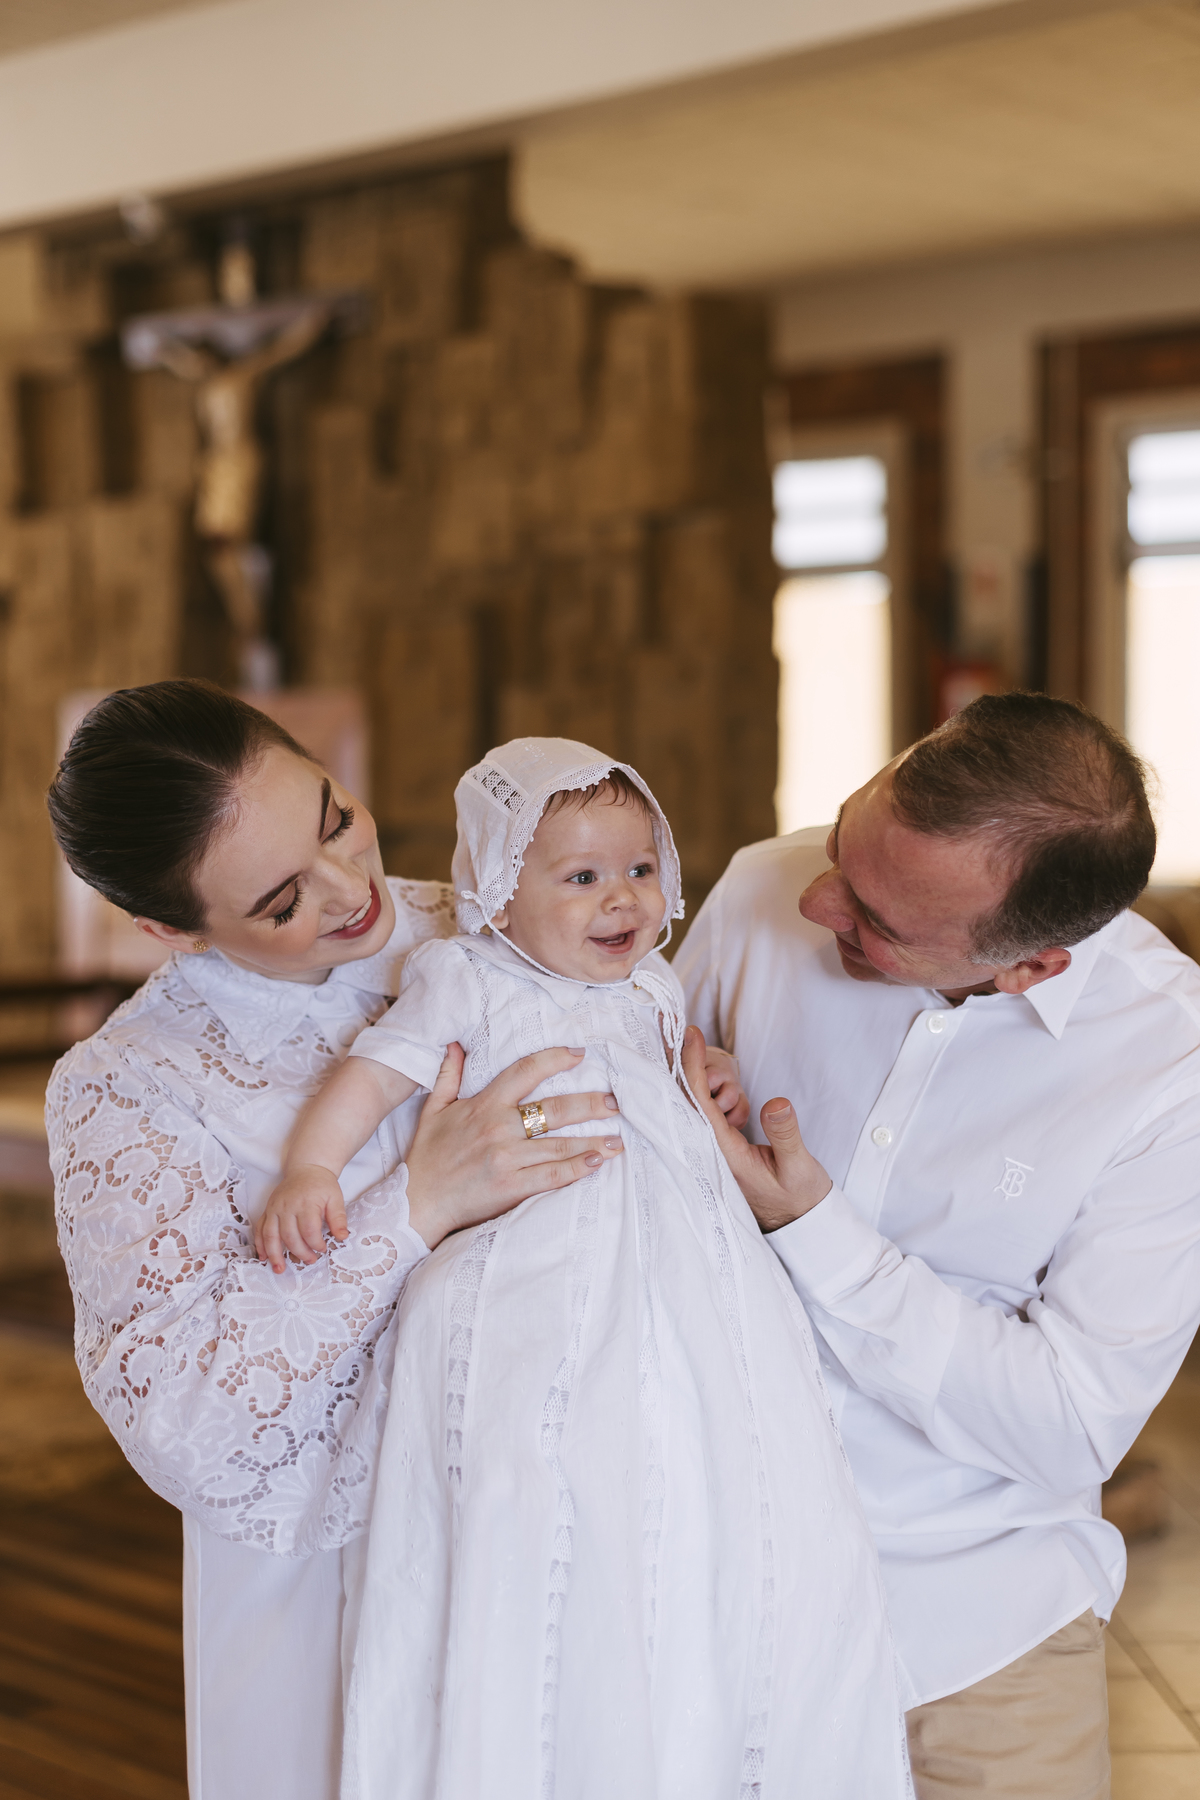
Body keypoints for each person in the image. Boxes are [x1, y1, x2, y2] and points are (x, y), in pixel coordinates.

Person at [269, 736, 908, 1800]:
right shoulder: (467, 977)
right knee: (555, 1468)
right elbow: (373, 1076)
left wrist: (709, 1074)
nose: (623, 898)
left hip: (687, 1255)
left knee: (714, 1454)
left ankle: (698, 1690)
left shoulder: (652, 982)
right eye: (580, 877)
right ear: (497, 897)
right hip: (544, 1249)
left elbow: (671, 1074)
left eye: (641, 868)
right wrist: (310, 1167)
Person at [44, 683, 631, 1800]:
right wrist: (412, 1209)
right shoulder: (131, 1085)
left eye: (335, 819)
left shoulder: (497, 917)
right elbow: (183, 1413)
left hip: (577, 1493)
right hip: (336, 1568)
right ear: (173, 929)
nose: (349, 889)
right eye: (280, 902)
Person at [674, 692, 1200, 1800]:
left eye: (875, 919)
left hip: (976, 1633)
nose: (817, 899)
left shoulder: (1169, 1067)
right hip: (704, 1588)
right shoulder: (763, 888)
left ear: (1031, 967)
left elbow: (1067, 1424)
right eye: (842, 839)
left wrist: (813, 1231)